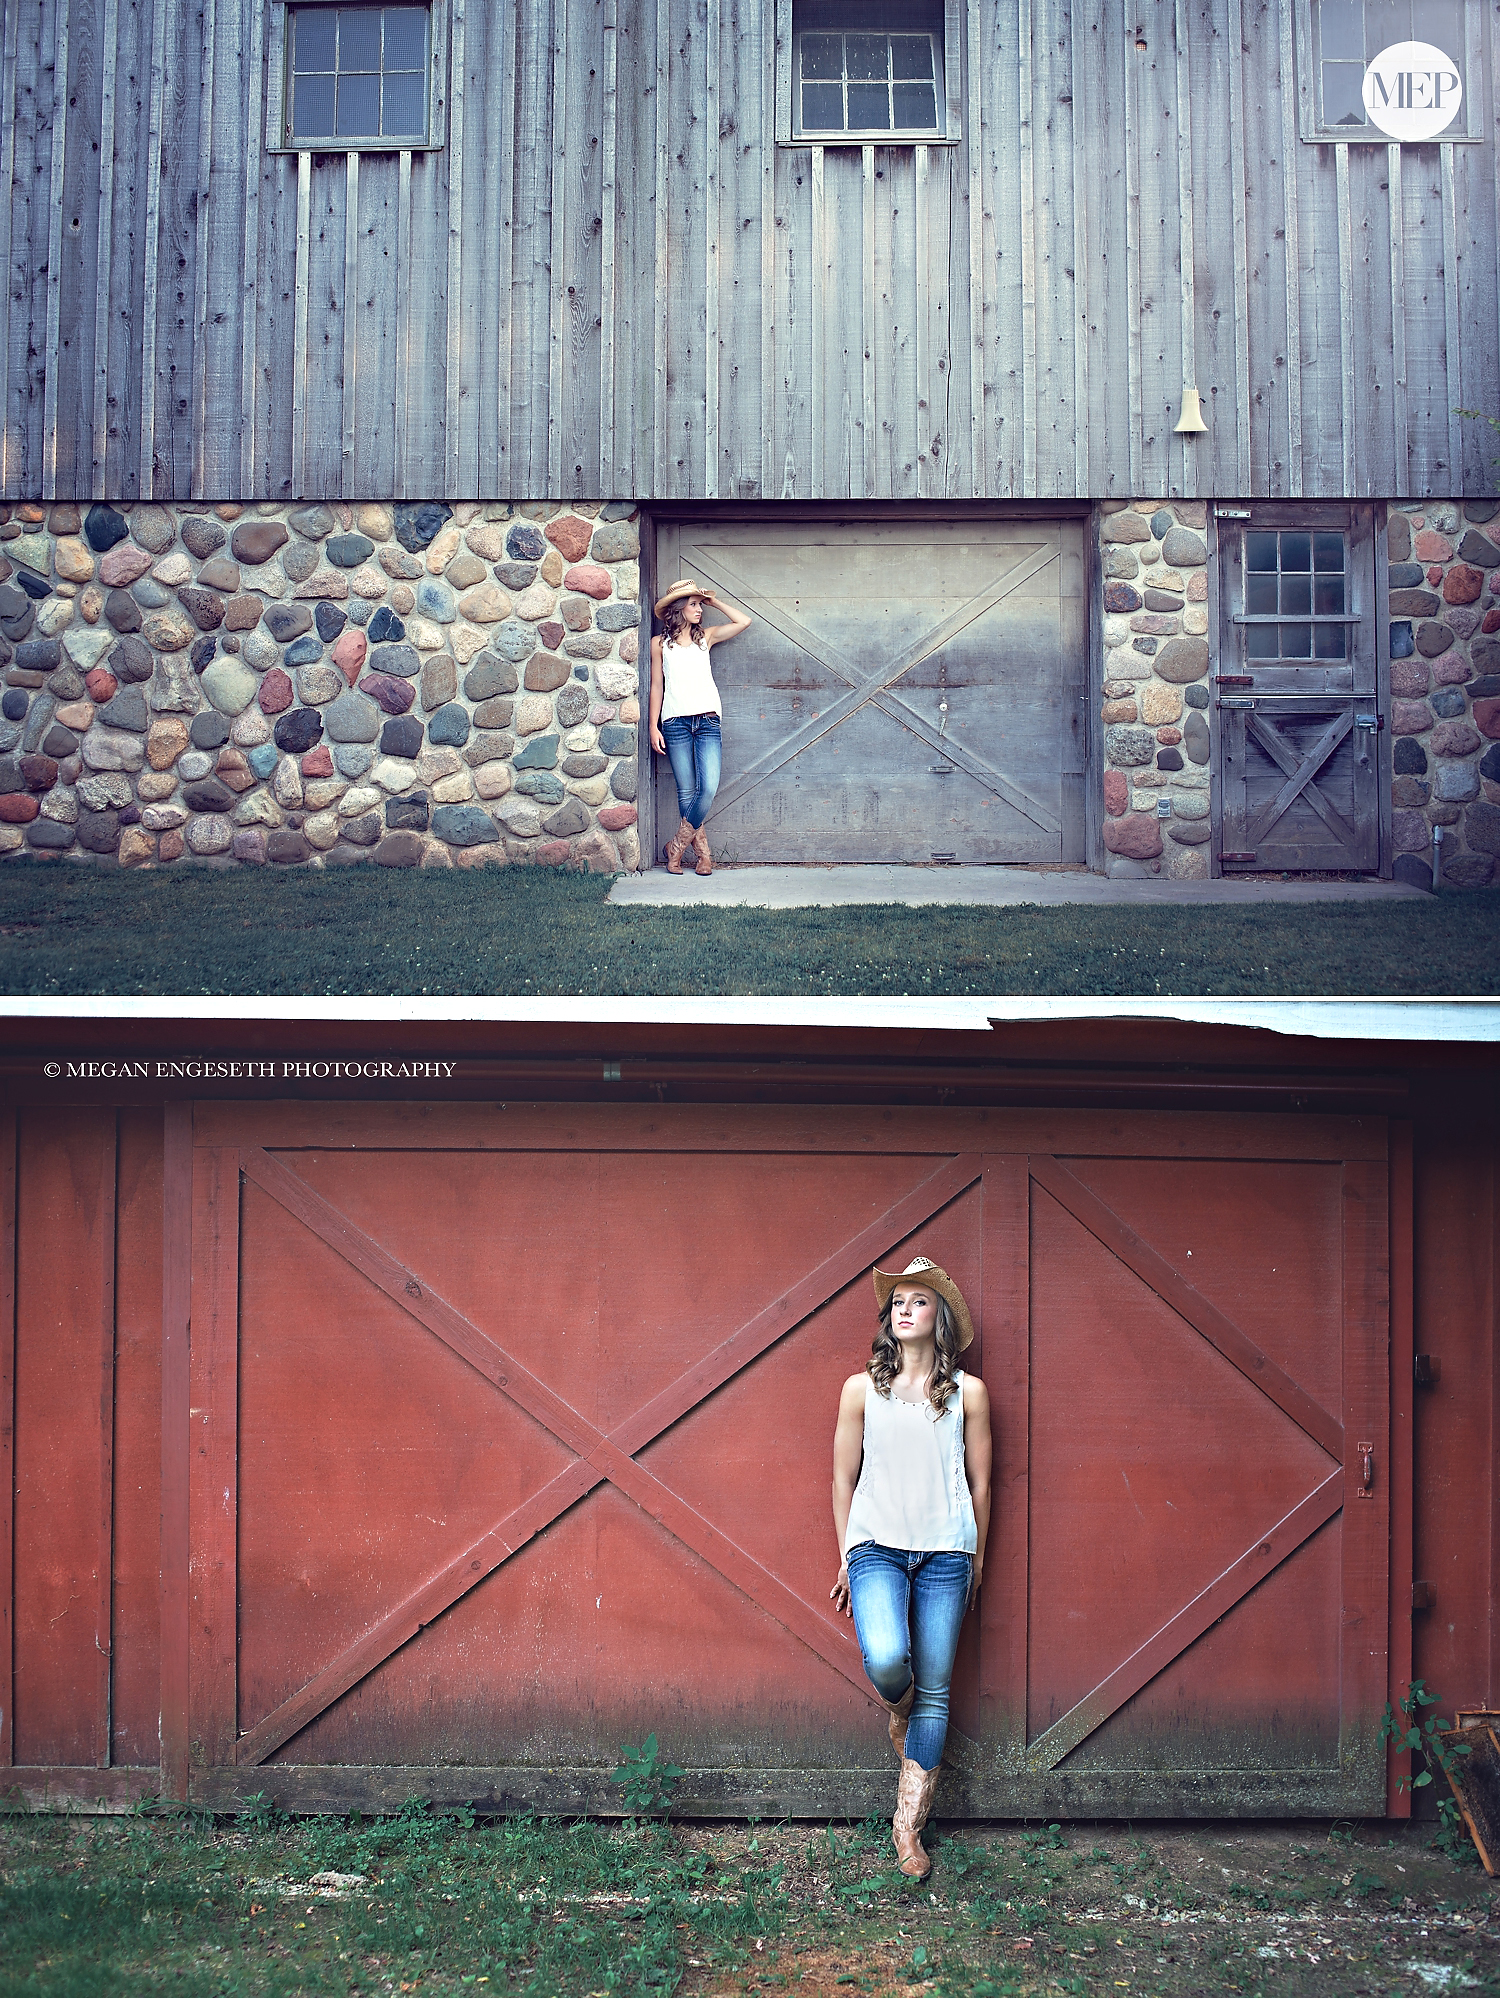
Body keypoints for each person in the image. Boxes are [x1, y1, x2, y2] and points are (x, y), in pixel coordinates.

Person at [830, 1256, 992, 1881]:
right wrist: (848, 1552)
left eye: (919, 1300)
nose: (904, 1308)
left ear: (939, 1317)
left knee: (938, 1690)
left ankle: (907, 1830)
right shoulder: (859, 1389)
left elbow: (981, 1485)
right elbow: (843, 1476)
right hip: (875, 1547)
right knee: (889, 1660)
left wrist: (975, 1556)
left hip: (947, 1553)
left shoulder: (968, 1395)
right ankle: (902, 1710)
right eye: (897, 1300)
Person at [649, 579, 751, 876]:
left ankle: (675, 848)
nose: (698, 609)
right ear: (677, 609)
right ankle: (704, 855)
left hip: (707, 720)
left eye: (698, 604)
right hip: (674, 722)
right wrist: (654, 726)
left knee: (706, 789)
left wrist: (713, 601)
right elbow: (657, 686)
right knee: (686, 791)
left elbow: (744, 621)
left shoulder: (705, 637)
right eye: (693, 604)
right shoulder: (659, 644)